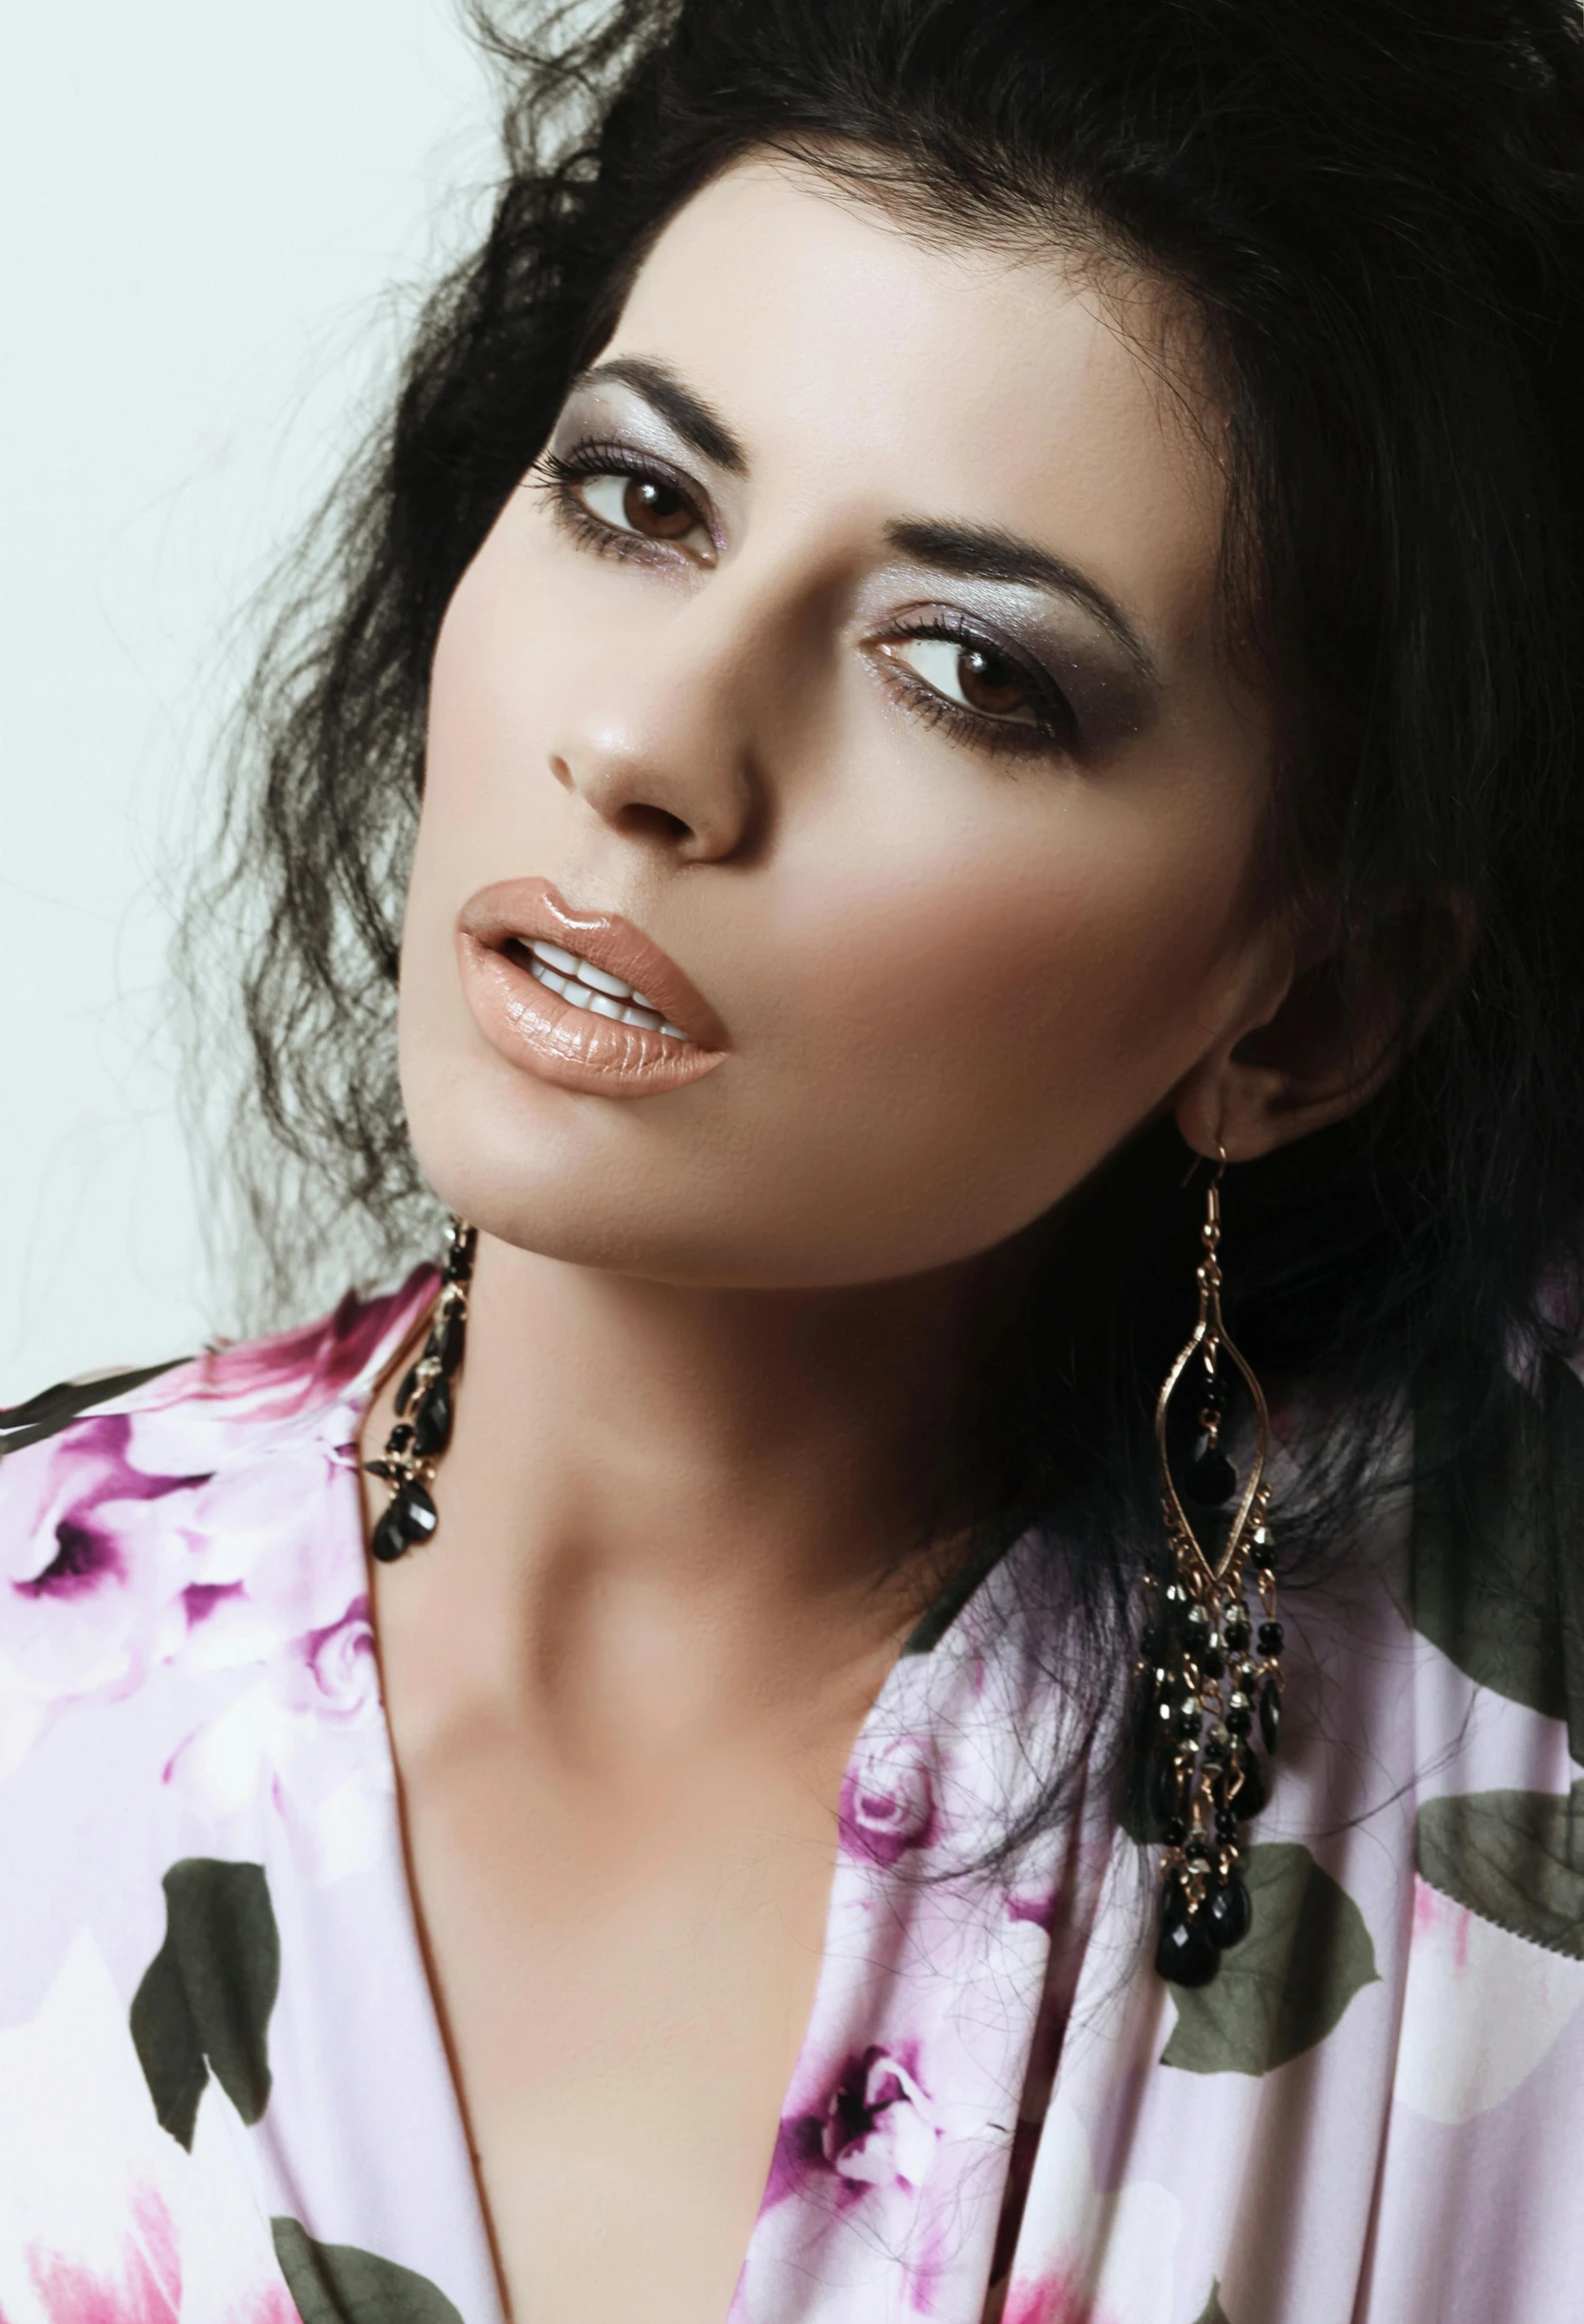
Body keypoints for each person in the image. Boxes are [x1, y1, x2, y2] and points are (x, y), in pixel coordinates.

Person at [3, 0, 1583, 2316]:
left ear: (1310, 1004)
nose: (650, 747)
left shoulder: (1493, 1710)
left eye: (966, 669)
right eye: (640, 501)